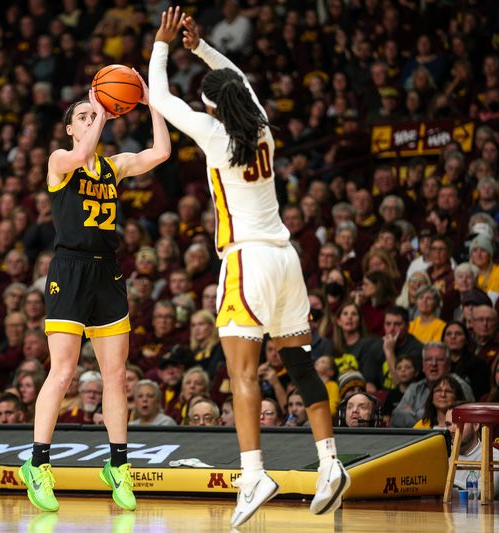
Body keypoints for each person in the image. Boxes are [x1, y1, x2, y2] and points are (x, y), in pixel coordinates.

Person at [149, 9, 349, 526]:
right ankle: (331, 462)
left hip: (247, 260)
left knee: (242, 373)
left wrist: (163, 45)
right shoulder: (262, 128)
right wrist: (202, 47)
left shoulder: (216, 136)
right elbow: (237, 79)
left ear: (212, 107)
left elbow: (161, 99)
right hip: (286, 259)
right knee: (299, 363)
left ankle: (253, 473)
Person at [20, 32, 171, 515]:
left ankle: (119, 467)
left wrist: (151, 103)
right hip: (69, 269)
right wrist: (100, 109)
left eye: (95, 114)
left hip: (108, 271)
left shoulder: (113, 167)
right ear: (69, 128)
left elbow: (161, 153)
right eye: (83, 117)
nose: (92, 119)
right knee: (62, 371)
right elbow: (83, 153)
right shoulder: (61, 161)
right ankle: (38, 464)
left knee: (115, 376)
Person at [444, 405, 499, 500]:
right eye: (448, 424)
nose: (452, 430)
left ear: (475, 425)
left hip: (485, 514)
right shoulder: (442, 453)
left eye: (459, 424)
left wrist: (444, 485)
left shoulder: (495, 457)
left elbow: (481, 494)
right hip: (445, 513)